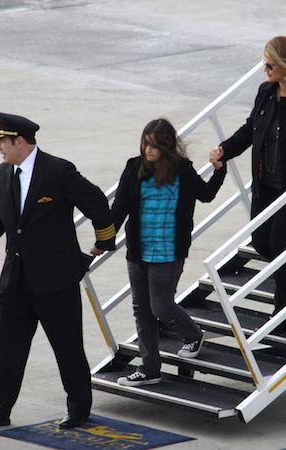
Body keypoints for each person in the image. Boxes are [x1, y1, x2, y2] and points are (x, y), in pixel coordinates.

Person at [0, 112, 115, 430]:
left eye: (2, 141)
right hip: (16, 279)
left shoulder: (57, 170)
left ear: (20, 141)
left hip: (55, 280)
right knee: (7, 348)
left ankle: (79, 409)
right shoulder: (3, 174)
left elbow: (96, 201)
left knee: (67, 348)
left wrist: (102, 242)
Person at [209, 36, 286, 332]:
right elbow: (251, 129)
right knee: (262, 243)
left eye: (270, 64)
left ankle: (283, 316)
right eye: (264, 63)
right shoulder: (266, 92)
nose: (265, 69)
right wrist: (225, 150)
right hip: (266, 182)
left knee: (280, 245)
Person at [108, 118, 226, 387]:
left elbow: (205, 194)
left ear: (167, 146)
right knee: (142, 309)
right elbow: (120, 207)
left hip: (169, 253)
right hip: (139, 252)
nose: (148, 150)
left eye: (154, 146)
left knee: (160, 306)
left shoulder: (182, 170)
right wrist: (105, 239)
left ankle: (193, 334)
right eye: (145, 144)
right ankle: (150, 369)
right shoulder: (134, 167)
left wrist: (219, 170)